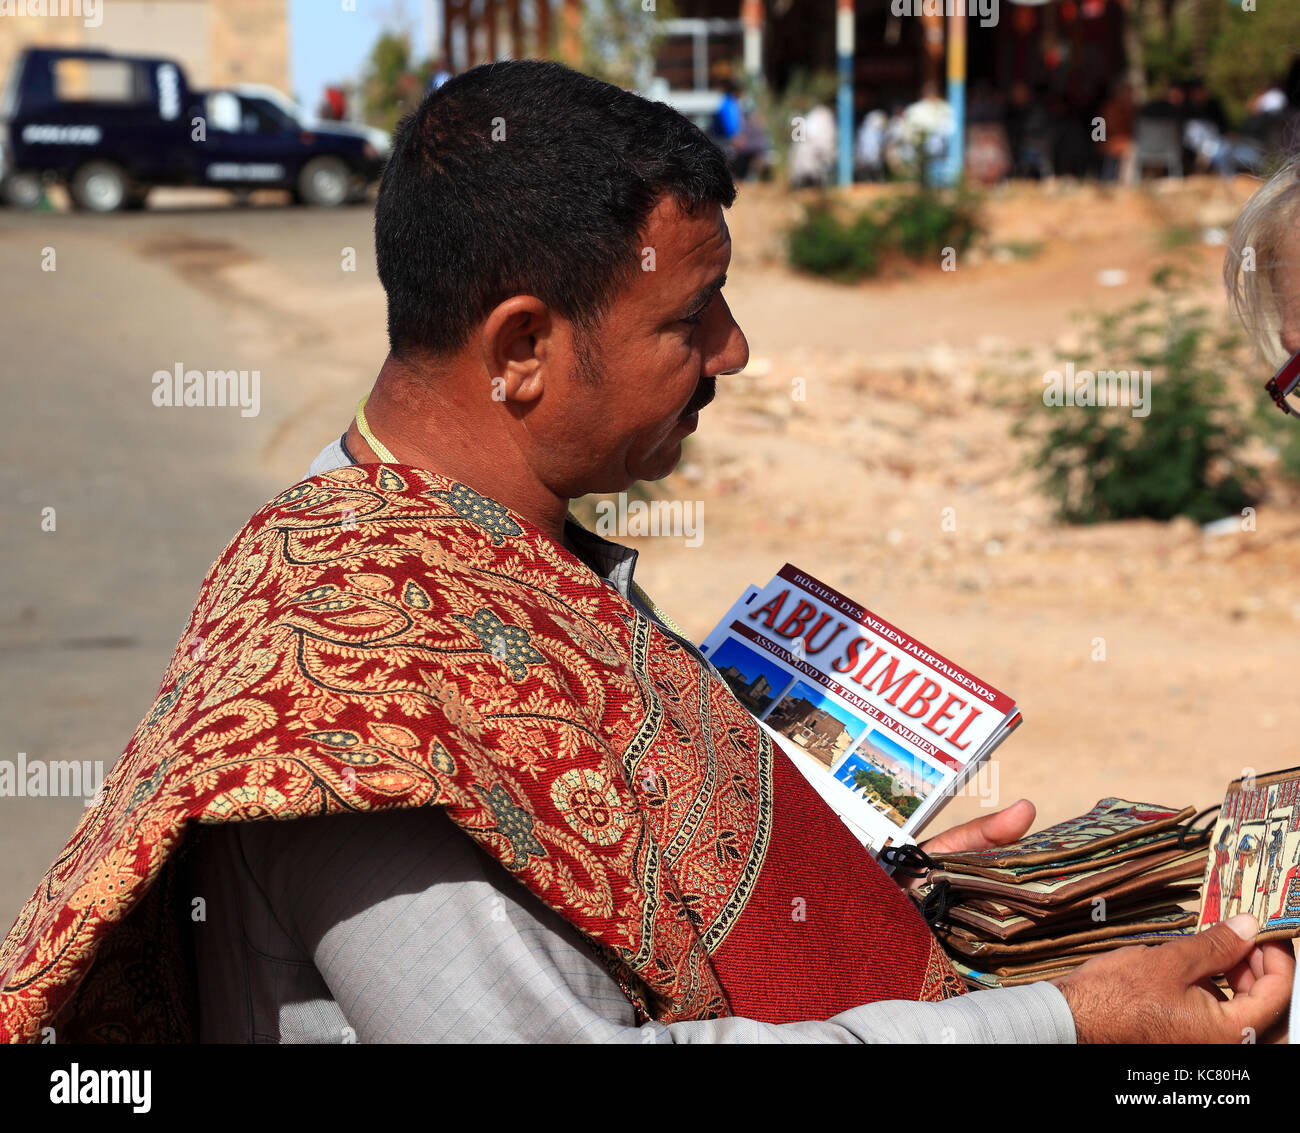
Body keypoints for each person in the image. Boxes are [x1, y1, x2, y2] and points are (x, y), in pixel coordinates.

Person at [0, 60, 1291, 1045]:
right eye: (689, 317)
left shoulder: (507, 555)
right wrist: (1061, 1020)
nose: (733, 352)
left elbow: (641, 890)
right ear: (520, 348)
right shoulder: (361, 692)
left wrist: (876, 899)